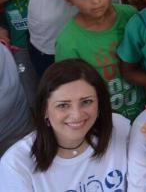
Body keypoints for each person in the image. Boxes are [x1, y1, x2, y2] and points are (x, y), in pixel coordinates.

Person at [0, 59, 130, 191]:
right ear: (44, 110)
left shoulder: (120, 128)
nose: (77, 115)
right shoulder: (16, 164)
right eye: (63, 105)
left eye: (86, 102)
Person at [54, 0, 141, 120]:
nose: (96, 1)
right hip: (104, 119)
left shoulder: (130, 15)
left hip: (144, 110)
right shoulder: (68, 42)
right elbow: (71, 90)